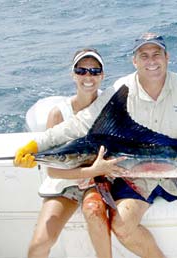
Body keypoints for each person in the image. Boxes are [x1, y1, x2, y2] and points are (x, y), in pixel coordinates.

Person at [14, 33, 177, 258]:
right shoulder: (120, 89)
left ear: (167, 57)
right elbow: (78, 125)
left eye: (157, 54)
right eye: (143, 55)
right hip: (135, 175)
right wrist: (36, 144)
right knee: (122, 224)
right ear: (135, 61)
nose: (151, 60)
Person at [25, 48, 125, 258]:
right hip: (66, 183)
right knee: (38, 246)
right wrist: (90, 170)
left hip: (100, 181)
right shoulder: (59, 114)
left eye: (94, 71)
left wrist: (98, 172)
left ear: (102, 75)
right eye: (81, 70)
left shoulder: (111, 108)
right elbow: (53, 171)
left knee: (94, 210)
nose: (88, 76)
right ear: (73, 74)